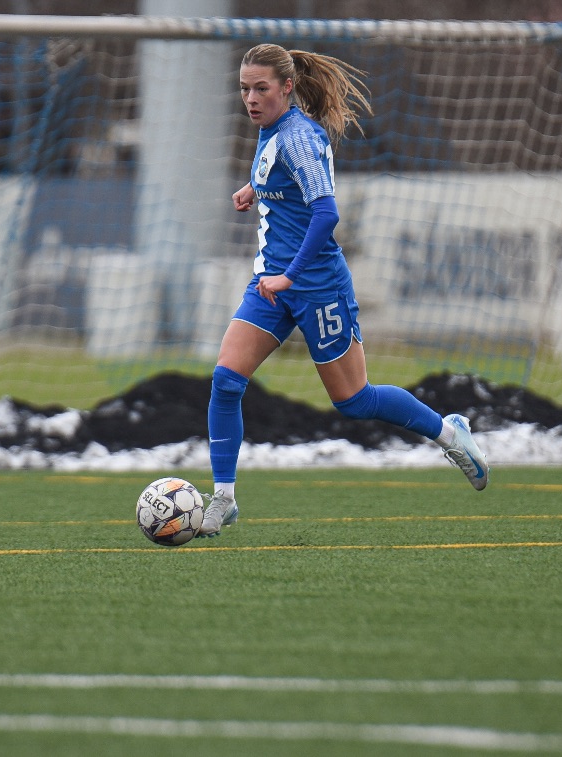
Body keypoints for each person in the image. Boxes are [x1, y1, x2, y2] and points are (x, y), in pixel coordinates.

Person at [198, 43, 490, 537]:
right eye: (244, 89)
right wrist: (256, 188)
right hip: (271, 285)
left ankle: (449, 432)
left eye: (261, 88)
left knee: (354, 400)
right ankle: (223, 497)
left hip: (315, 286)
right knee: (226, 380)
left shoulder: (298, 136)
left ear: (287, 87)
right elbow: (286, 182)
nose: (250, 98)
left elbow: (325, 213)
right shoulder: (273, 130)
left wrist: (290, 275)